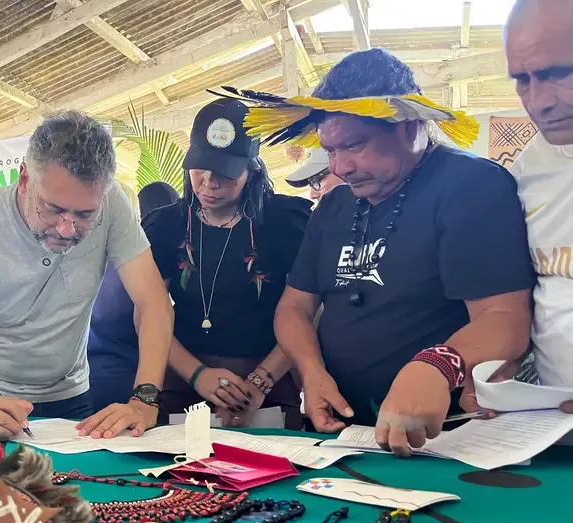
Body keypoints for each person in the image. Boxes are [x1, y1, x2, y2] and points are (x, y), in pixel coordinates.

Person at [251, 49, 536, 456]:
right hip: (342, 435)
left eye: (354, 145)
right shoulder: (333, 206)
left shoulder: (470, 186)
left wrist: (437, 365)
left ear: (410, 126)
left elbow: (505, 319)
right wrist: (311, 373)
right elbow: (294, 307)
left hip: (442, 439)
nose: (340, 167)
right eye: (331, 150)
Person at [0, 110, 173, 440]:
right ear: (24, 179)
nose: (67, 229)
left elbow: (153, 302)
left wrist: (145, 400)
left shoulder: (112, 203)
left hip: (69, 397)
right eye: (53, 209)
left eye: (86, 215)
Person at [144, 98, 312, 429]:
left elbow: (306, 310)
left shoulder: (285, 221)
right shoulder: (165, 225)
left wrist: (261, 381)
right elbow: (148, 313)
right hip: (183, 373)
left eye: (224, 173)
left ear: (252, 171)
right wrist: (197, 375)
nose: (209, 183)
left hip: (268, 375)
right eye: (199, 169)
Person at [504, 0, 573, 406]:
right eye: (522, 79)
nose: (537, 102)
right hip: (554, 423)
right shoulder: (527, 169)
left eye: (557, 73)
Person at [88, 181, 180, 411]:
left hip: (110, 384)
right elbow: (157, 318)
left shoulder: (83, 262)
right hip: (128, 384)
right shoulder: (140, 270)